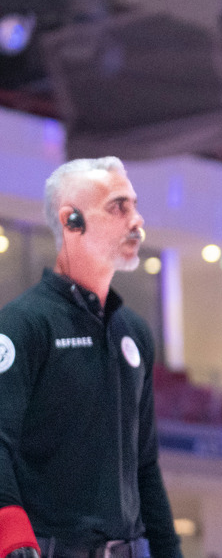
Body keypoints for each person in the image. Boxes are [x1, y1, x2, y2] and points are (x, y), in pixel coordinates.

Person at [0, 157, 182, 558]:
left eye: (134, 205)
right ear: (72, 221)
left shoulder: (133, 333)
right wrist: (10, 538)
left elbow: (145, 465)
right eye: (119, 206)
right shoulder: (22, 324)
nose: (136, 220)